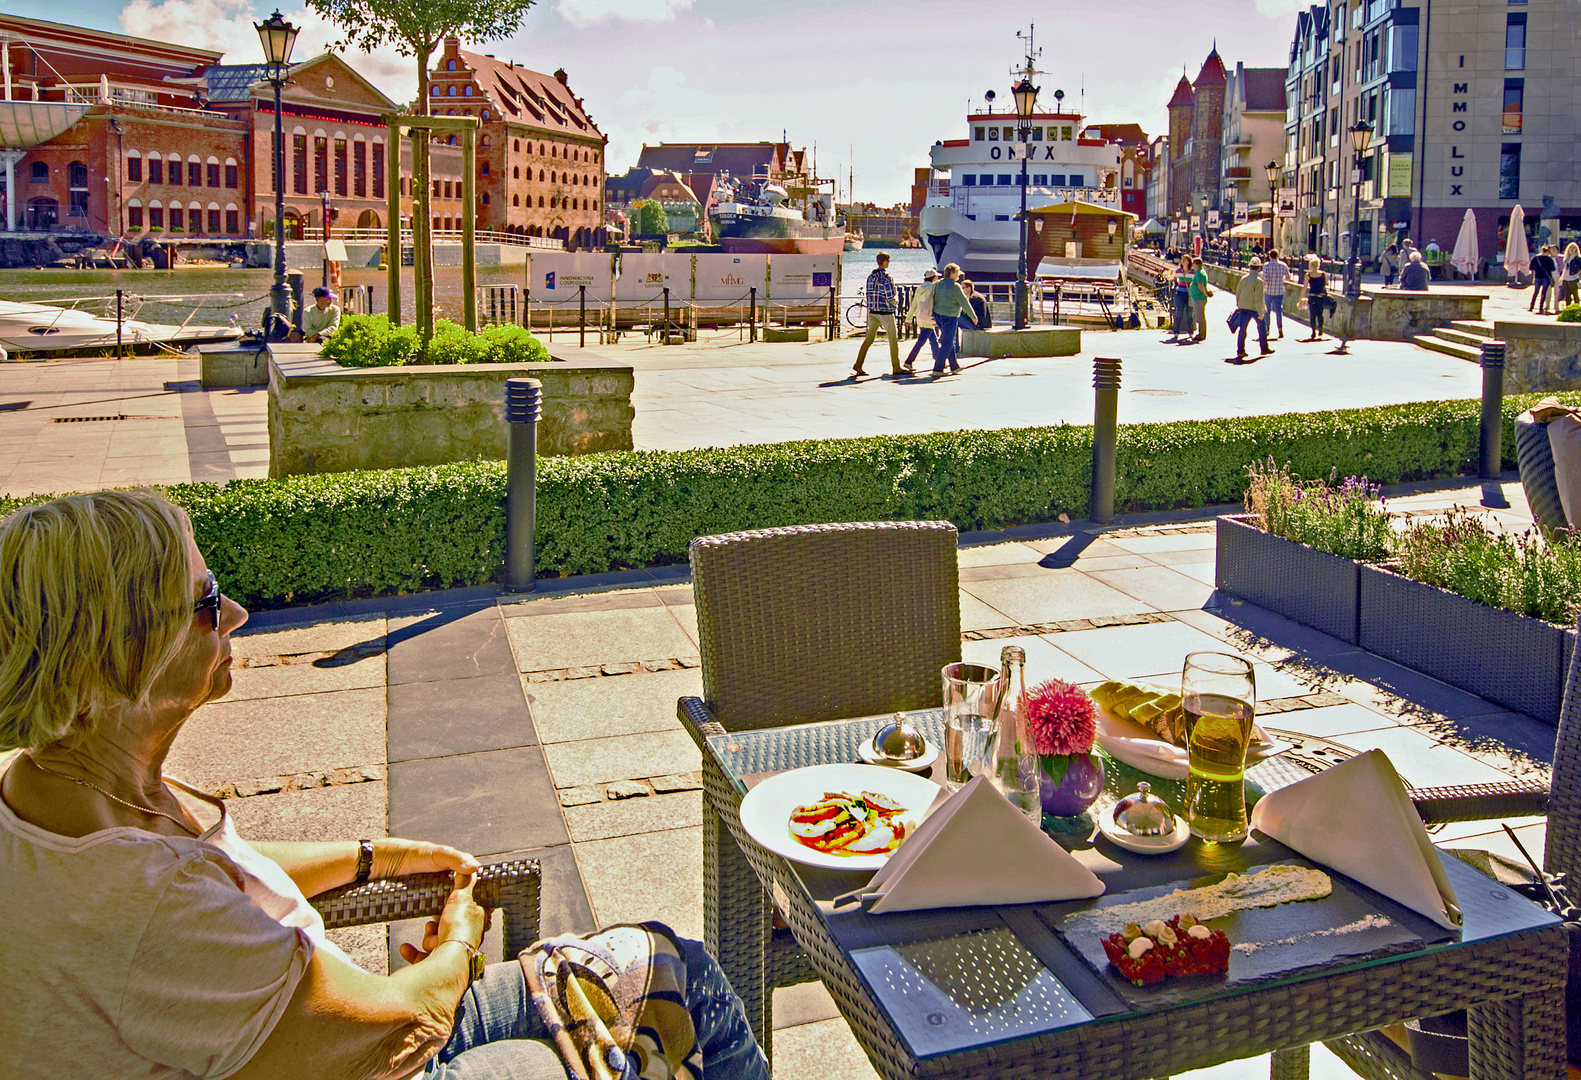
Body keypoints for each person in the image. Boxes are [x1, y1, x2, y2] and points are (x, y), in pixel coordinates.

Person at [0, 489, 771, 1080]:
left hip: (310, 1033)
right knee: (637, 1005)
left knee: (671, 961)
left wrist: (372, 857)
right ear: (114, 653)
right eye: (205, 605)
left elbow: (217, 872)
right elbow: (396, 1025)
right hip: (366, 1048)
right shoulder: (141, 903)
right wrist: (462, 945)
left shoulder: (53, 797)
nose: (235, 613)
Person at [852, 252, 901, 378]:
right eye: (888, 261)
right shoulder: (886, 278)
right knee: (893, 340)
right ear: (884, 262)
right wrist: (897, 304)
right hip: (885, 313)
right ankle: (896, 367)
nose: (889, 263)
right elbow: (890, 296)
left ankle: (858, 364)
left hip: (873, 312)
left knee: (869, 339)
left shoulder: (870, 277)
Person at [929, 263, 973, 375]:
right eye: (957, 273)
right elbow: (964, 302)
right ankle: (938, 368)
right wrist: (973, 316)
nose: (959, 275)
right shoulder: (955, 286)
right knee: (947, 343)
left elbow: (933, 298)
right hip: (950, 316)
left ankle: (954, 366)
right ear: (952, 273)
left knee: (949, 340)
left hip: (938, 315)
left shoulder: (938, 284)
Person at [1233, 257, 1272, 361]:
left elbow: (1238, 293)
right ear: (1259, 268)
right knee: (1261, 328)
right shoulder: (1259, 281)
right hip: (1254, 308)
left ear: (1249, 266)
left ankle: (1240, 350)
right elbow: (1258, 298)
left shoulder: (1243, 279)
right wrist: (1261, 312)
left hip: (1243, 307)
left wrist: (1239, 305)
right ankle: (1264, 348)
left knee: (1242, 330)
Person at [904, 267, 940, 371]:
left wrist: (908, 319)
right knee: (921, 342)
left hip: (920, 317)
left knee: (933, 339)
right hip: (929, 317)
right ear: (933, 278)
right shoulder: (932, 289)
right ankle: (909, 361)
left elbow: (914, 305)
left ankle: (939, 360)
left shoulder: (919, 288)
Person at [1260, 250, 1292, 340]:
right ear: (1278, 256)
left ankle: (1267, 329)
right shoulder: (1283, 265)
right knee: (1278, 310)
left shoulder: (1266, 265)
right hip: (1279, 290)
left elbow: (1265, 280)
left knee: (1267, 311)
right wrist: (1281, 280)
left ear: (1270, 256)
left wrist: (1263, 288)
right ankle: (1280, 329)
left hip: (1269, 291)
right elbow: (1288, 277)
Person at [1170, 256, 1196, 342]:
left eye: (1184, 260)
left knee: (1190, 314)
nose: (1182, 261)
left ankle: (1190, 332)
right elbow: (1174, 279)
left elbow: (1195, 282)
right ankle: (1176, 332)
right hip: (1180, 293)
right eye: (1182, 260)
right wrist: (1177, 285)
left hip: (1189, 294)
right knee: (1179, 313)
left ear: (1189, 262)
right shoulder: (1178, 271)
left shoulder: (1193, 272)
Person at [1304, 255, 1330, 340]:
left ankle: (1313, 332)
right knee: (1320, 313)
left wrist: (1301, 297)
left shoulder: (1308, 275)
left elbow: (1305, 287)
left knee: (1312, 314)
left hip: (1312, 296)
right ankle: (1320, 329)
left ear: (1310, 265)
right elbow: (1326, 284)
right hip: (1320, 296)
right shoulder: (1323, 274)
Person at [1530, 245, 1558, 314]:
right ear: (1548, 252)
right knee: (1543, 293)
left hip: (1537, 277)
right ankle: (1540, 308)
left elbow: (1531, 267)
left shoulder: (1535, 258)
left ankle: (1531, 307)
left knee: (1535, 292)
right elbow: (1553, 269)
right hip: (1546, 277)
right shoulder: (1549, 259)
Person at [1189, 257, 1212, 343]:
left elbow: (1201, 286)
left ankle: (1201, 334)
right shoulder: (1200, 272)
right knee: (1200, 317)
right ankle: (1201, 333)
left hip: (1199, 298)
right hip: (1197, 298)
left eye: (1193, 264)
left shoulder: (1199, 274)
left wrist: (1205, 294)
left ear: (1197, 264)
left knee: (1200, 317)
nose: (1192, 266)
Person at [1561, 242, 1581, 307]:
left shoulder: (1577, 258)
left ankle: (1576, 308)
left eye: (1574, 247)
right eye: (1570, 247)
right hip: (1566, 277)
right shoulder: (1568, 258)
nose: (1572, 249)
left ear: (1576, 249)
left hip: (1573, 278)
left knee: (1575, 294)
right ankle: (1568, 308)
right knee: (1567, 295)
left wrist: (1578, 272)